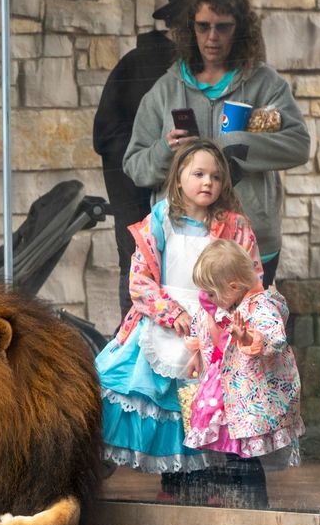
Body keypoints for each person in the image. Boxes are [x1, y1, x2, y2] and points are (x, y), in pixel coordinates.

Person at [123, 0, 310, 288]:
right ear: (189, 28)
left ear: (239, 29)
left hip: (249, 243)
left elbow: (298, 144)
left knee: (247, 336)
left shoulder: (264, 84)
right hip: (181, 243)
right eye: (203, 26)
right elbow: (134, 167)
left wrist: (230, 146)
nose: (212, 37)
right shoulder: (166, 90)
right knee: (188, 336)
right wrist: (166, 150)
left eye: (222, 27)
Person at [97, 140, 262, 491]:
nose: (208, 182)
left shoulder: (235, 225)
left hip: (216, 331)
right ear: (178, 179)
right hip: (167, 325)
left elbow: (252, 280)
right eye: (198, 174)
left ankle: (213, 485)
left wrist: (236, 318)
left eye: (216, 176)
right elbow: (140, 280)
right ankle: (174, 483)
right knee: (169, 406)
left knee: (209, 405)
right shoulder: (159, 219)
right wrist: (170, 313)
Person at [94, 0, 220, 318]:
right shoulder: (142, 69)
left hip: (193, 233)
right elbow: (111, 143)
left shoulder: (207, 68)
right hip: (150, 234)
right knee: (148, 342)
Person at [182, 240, 303, 505]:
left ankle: (254, 503)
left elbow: (274, 339)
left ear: (234, 287)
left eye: (213, 294)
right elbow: (210, 329)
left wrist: (247, 336)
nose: (209, 299)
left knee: (245, 457)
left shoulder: (261, 306)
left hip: (251, 395)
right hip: (234, 393)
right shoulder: (233, 304)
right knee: (232, 452)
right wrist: (196, 354)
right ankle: (235, 500)